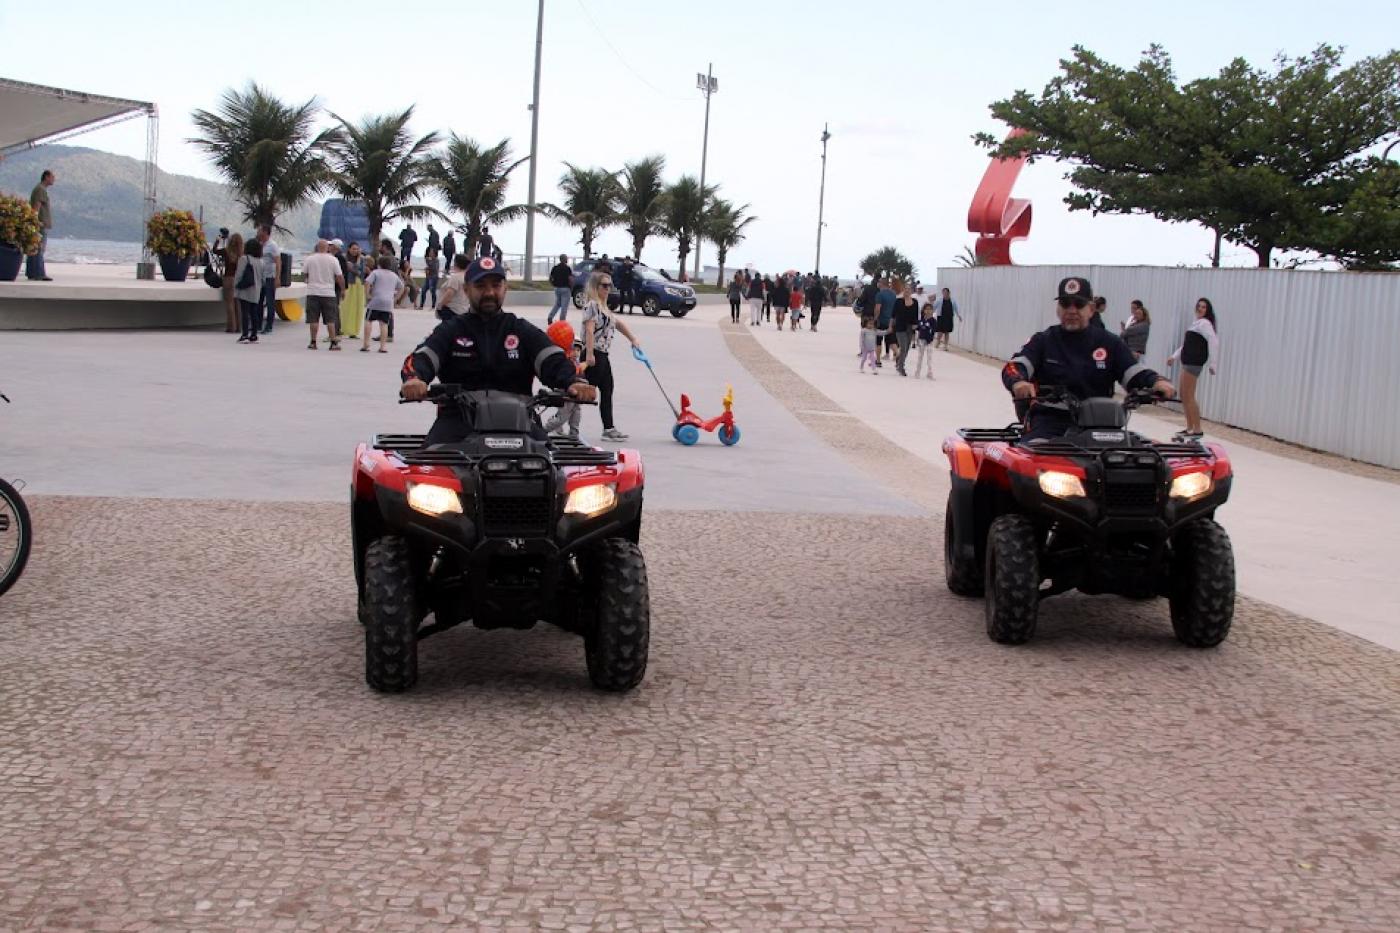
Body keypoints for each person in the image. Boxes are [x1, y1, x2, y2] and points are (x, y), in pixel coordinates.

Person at [399, 256, 597, 445]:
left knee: (553, 467)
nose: (489, 292)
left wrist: (575, 381)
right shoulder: (451, 330)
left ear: (505, 288)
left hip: (521, 421)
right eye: (480, 286)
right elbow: (422, 357)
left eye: (496, 285)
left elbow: (554, 359)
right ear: (467, 290)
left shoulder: (521, 330)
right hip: (456, 421)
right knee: (426, 468)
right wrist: (414, 379)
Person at [1003, 276, 1175, 441]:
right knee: (1033, 461)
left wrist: (1157, 382)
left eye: (1079, 304)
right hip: (1050, 423)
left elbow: (1134, 372)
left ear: (1091, 309)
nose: (1072, 310)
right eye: (1065, 304)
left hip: (1102, 426)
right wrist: (1018, 382)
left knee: (1141, 462)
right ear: (1058, 309)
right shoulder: (1043, 340)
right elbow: (1015, 366)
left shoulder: (1110, 343)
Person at [581, 267, 642, 441]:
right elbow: (590, 330)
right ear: (596, 287)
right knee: (582, 391)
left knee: (607, 390)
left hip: (603, 354)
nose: (608, 289)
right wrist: (590, 355)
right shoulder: (592, 306)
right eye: (604, 285)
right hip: (594, 354)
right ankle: (561, 419)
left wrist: (633, 339)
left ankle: (608, 428)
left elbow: (618, 324)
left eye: (610, 285)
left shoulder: (604, 308)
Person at [1166, 297, 1219, 438]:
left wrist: (1213, 364)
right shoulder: (1195, 324)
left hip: (1194, 363)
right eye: (1199, 306)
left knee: (1189, 396)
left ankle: (1197, 430)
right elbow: (1186, 345)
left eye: (1203, 307)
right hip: (1187, 361)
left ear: (1208, 311)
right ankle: (1189, 428)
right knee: (1184, 395)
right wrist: (1174, 356)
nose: (1200, 309)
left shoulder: (1205, 323)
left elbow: (1214, 341)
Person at [542, 321, 585, 439]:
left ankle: (574, 434)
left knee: (576, 415)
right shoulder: (565, 363)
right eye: (573, 349)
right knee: (562, 416)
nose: (575, 352)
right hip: (566, 394)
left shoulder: (577, 364)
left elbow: (581, 376)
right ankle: (543, 429)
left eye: (578, 350)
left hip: (576, 395)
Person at [302, 240, 345, 350]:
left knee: (313, 319)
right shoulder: (333, 259)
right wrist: (343, 290)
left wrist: (309, 279)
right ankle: (333, 342)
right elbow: (339, 276)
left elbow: (305, 274)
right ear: (327, 248)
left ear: (317, 247)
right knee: (331, 319)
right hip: (328, 293)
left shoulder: (310, 259)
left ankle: (313, 342)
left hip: (313, 292)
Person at [362, 255, 404, 352]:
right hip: (388, 302)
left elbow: (367, 282)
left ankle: (366, 344)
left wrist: (367, 294)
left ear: (379, 264)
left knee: (368, 321)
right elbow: (401, 287)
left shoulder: (375, 272)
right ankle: (382, 346)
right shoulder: (394, 275)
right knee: (384, 324)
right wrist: (396, 298)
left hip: (376, 300)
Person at [26, 170, 54, 280]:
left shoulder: (40, 189)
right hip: (40, 223)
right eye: (52, 177)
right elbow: (37, 206)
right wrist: (35, 221)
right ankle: (38, 273)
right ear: (46, 177)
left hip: (40, 222)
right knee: (39, 248)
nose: (53, 179)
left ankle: (32, 272)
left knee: (34, 247)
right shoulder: (40, 189)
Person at [234, 239, 264, 343]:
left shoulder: (244, 259)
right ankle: (254, 335)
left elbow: (239, 274)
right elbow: (263, 278)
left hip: (245, 290)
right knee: (254, 313)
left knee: (244, 313)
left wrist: (236, 286)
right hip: (256, 290)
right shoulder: (261, 261)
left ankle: (245, 334)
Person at [255, 225, 280, 335]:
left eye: (259, 230)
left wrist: (277, 278)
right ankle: (258, 324)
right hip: (260, 277)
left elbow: (278, 262)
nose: (258, 232)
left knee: (270, 302)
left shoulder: (272, 245)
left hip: (270, 277)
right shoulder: (259, 244)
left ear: (265, 232)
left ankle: (269, 325)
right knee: (259, 302)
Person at [890, 282, 920, 376]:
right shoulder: (898, 301)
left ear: (911, 291)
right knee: (903, 347)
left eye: (909, 289)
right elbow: (893, 315)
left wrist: (916, 325)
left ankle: (899, 362)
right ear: (903, 290)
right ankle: (901, 367)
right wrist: (890, 326)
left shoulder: (915, 302)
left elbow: (916, 315)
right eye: (905, 289)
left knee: (907, 348)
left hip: (910, 328)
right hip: (899, 327)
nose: (907, 290)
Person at [340, 242, 365, 339]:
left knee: (357, 308)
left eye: (357, 249)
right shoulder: (344, 258)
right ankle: (343, 328)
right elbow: (346, 269)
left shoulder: (362, 259)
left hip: (358, 285)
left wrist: (356, 262)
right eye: (353, 249)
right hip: (348, 284)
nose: (355, 251)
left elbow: (361, 272)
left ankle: (354, 331)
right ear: (349, 249)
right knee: (345, 307)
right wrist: (354, 269)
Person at [220, 232, 244, 334]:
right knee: (237, 304)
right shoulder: (242, 254)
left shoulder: (226, 251)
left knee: (229, 303)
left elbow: (214, 250)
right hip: (238, 279)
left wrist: (218, 240)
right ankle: (239, 327)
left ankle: (231, 326)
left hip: (228, 279)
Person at [435, 254, 471, 320]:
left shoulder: (455, 277)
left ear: (456, 263)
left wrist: (440, 306)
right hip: (464, 310)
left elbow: (449, 294)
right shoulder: (468, 277)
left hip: (452, 310)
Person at [874, 278, 897, 365]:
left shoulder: (879, 294)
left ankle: (878, 361)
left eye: (878, 281)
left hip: (881, 321)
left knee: (878, 341)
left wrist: (875, 319)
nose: (877, 283)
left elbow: (878, 308)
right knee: (892, 341)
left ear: (882, 283)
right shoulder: (893, 294)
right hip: (891, 321)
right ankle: (898, 355)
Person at [913, 303, 938, 379]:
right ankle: (917, 371)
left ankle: (929, 372)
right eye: (926, 309)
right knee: (920, 356)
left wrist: (930, 339)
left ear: (932, 311)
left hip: (929, 341)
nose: (928, 311)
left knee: (929, 357)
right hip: (921, 340)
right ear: (923, 310)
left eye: (930, 309)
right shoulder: (921, 320)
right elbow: (918, 329)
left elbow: (934, 330)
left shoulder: (933, 321)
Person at [548, 254, 573, 324]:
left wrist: (553, 284)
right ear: (564, 259)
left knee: (557, 304)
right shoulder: (567, 268)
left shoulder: (555, 268)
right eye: (566, 258)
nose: (567, 259)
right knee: (564, 306)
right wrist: (571, 288)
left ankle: (550, 316)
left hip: (557, 288)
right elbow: (570, 279)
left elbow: (550, 278)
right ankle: (562, 321)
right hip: (565, 288)